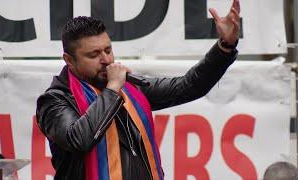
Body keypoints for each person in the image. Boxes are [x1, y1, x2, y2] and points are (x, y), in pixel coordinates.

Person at [36, 0, 240, 179]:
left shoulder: (129, 88)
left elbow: (189, 86)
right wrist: (113, 88)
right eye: (94, 54)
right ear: (69, 60)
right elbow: (78, 139)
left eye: (108, 50)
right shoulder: (55, 100)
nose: (106, 60)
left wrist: (225, 47)